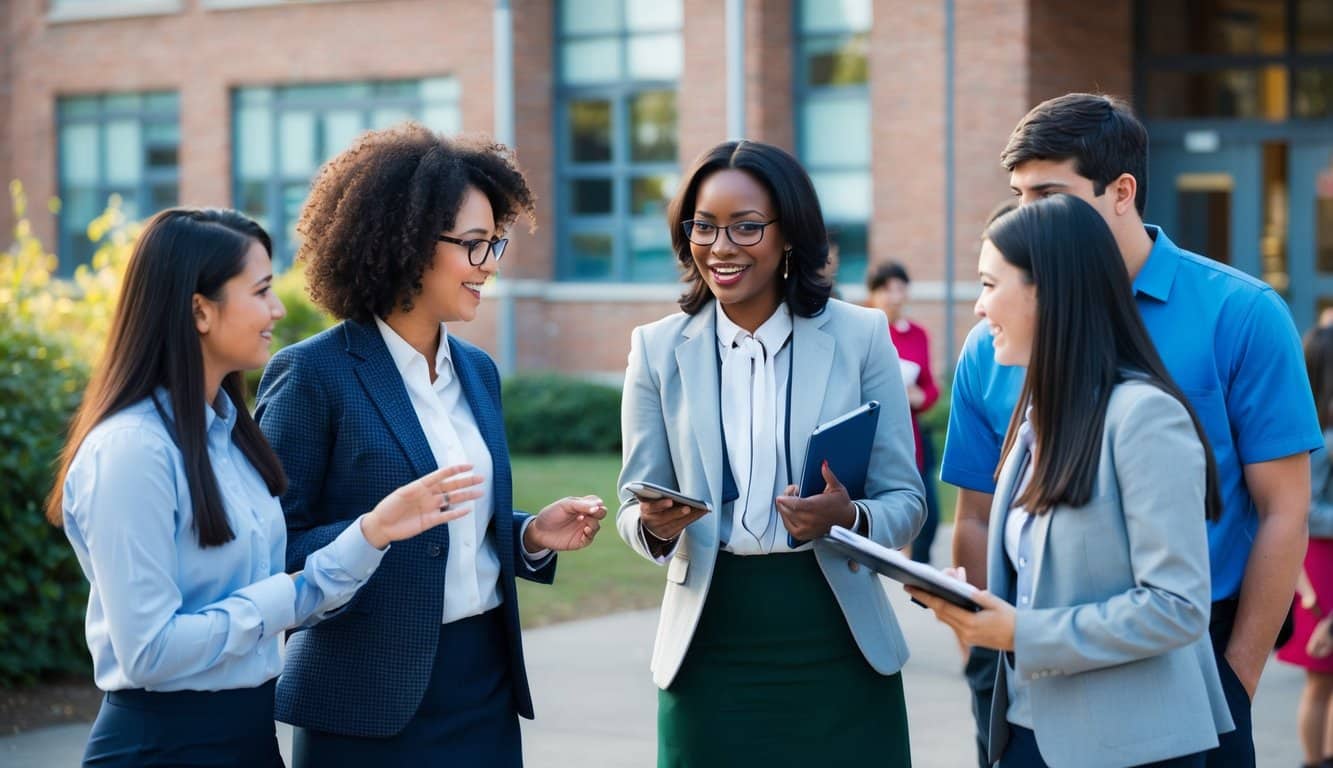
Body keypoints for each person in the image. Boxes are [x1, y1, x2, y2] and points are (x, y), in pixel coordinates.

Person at [941, 93, 1321, 767]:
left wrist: (1234, 680)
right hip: (1021, 673)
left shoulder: (1240, 315)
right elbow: (973, 514)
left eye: (1048, 194)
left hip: (1191, 655)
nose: (1029, 216)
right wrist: (982, 655)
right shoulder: (991, 343)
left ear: (1120, 191)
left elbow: (1282, 510)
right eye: (1018, 195)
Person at [47, 208, 479, 767]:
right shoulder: (132, 451)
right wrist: (275, 601)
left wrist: (372, 532)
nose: (277, 309)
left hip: (249, 737)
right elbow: (149, 651)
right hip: (163, 747)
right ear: (200, 310)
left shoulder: (230, 437)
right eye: (262, 291)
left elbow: (287, 596)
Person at [254, 124, 607, 767]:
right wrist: (371, 531)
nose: (490, 265)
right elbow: (268, 549)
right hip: (366, 702)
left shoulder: (477, 371)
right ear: (406, 243)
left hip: (483, 685)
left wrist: (527, 535)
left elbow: (454, 529)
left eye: (493, 243)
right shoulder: (314, 375)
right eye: (473, 245)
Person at [615, 139, 926, 767]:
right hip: (710, 646)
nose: (721, 247)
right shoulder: (656, 350)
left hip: (837, 642)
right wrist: (652, 525)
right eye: (703, 226)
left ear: (790, 236)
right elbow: (633, 499)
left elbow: (907, 500)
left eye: (746, 227)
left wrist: (849, 518)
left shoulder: (862, 337)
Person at [912, 194, 1234, 767]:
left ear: (1049, 291)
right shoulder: (1040, 414)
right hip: (1025, 731)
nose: (980, 309)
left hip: (1132, 748)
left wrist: (1023, 633)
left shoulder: (1143, 417)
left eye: (990, 285)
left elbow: (1178, 606)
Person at [1277, 325, 1333, 768]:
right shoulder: (1319, 437)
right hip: (1321, 561)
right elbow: (1306, 509)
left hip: (1321, 556)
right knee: (1320, 679)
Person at [866, 261, 940, 563]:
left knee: (928, 514)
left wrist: (920, 396)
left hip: (910, 435)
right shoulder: (866, 331)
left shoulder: (917, 335)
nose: (895, 296)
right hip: (871, 435)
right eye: (887, 289)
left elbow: (930, 387)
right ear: (873, 293)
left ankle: (918, 576)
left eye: (900, 288)